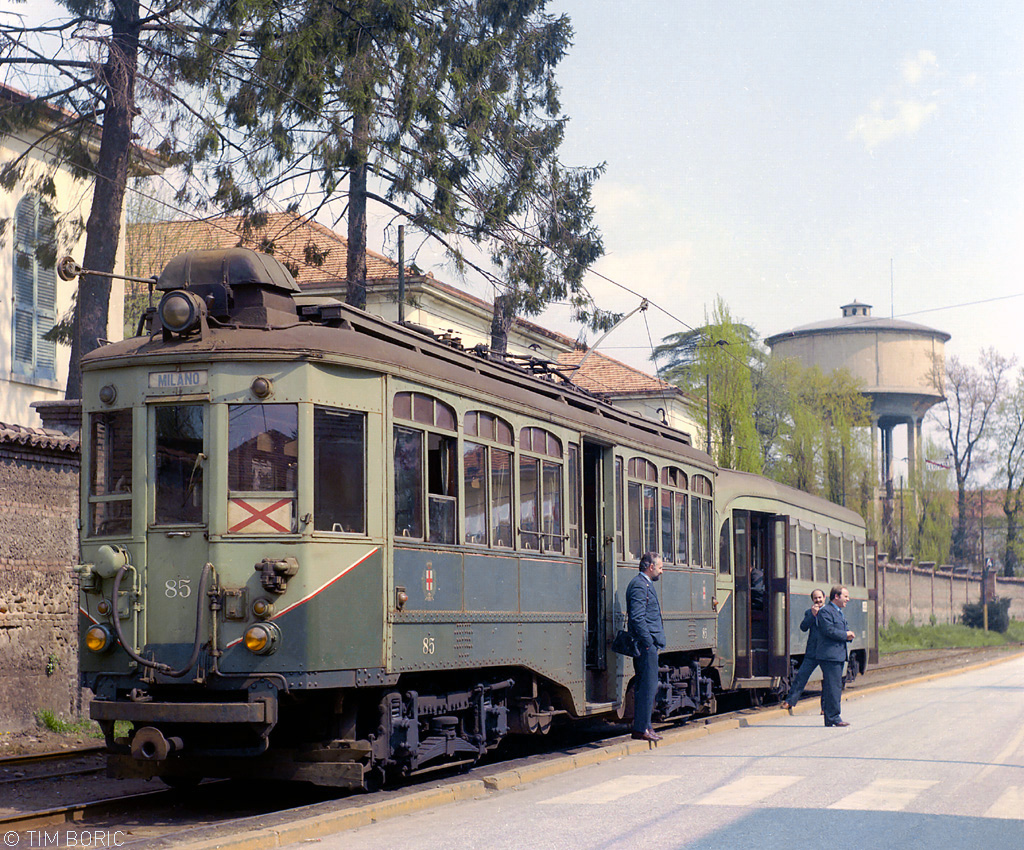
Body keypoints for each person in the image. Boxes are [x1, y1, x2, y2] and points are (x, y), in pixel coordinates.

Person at [627, 551, 666, 742]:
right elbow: (637, 618)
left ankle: (646, 726)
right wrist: (648, 642)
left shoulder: (645, 584)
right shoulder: (639, 586)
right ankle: (641, 728)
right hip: (645, 646)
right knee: (647, 687)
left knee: (648, 687)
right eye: (660, 567)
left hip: (648, 644)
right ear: (651, 567)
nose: (662, 571)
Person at [817, 585, 856, 727]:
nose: (848, 599)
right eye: (846, 596)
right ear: (836, 597)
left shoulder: (838, 612)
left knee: (833, 686)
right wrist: (845, 634)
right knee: (833, 687)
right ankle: (834, 717)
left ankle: (830, 718)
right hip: (830, 656)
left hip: (836, 655)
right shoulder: (825, 612)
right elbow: (829, 630)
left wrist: (848, 635)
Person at [781, 588, 826, 710]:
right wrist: (812, 615)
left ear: (824, 598)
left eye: (820, 597)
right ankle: (790, 701)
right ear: (812, 600)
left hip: (826, 651)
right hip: (812, 651)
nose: (818, 600)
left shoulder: (829, 612)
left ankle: (825, 708)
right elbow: (803, 627)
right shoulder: (809, 613)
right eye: (815, 598)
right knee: (801, 676)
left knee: (827, 680)